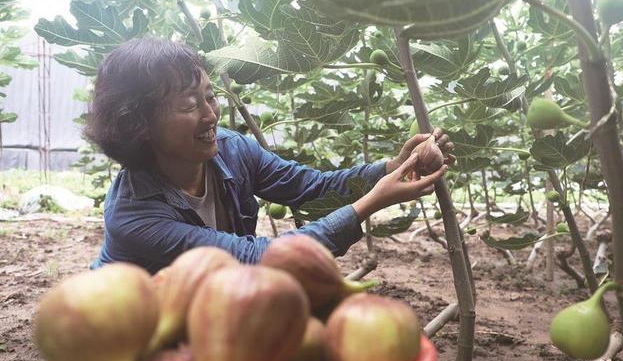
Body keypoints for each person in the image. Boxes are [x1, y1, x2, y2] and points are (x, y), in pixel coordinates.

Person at [85, 37, 454, 274]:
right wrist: (370, 204)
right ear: (139, 125)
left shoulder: (231, 149)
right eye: (189, 104)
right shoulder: (133, 215)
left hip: (202, 305)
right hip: (132, 329)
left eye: (210, 97)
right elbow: (260, 259)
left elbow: (311, 187)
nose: (210, 114)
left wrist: (393, 167)